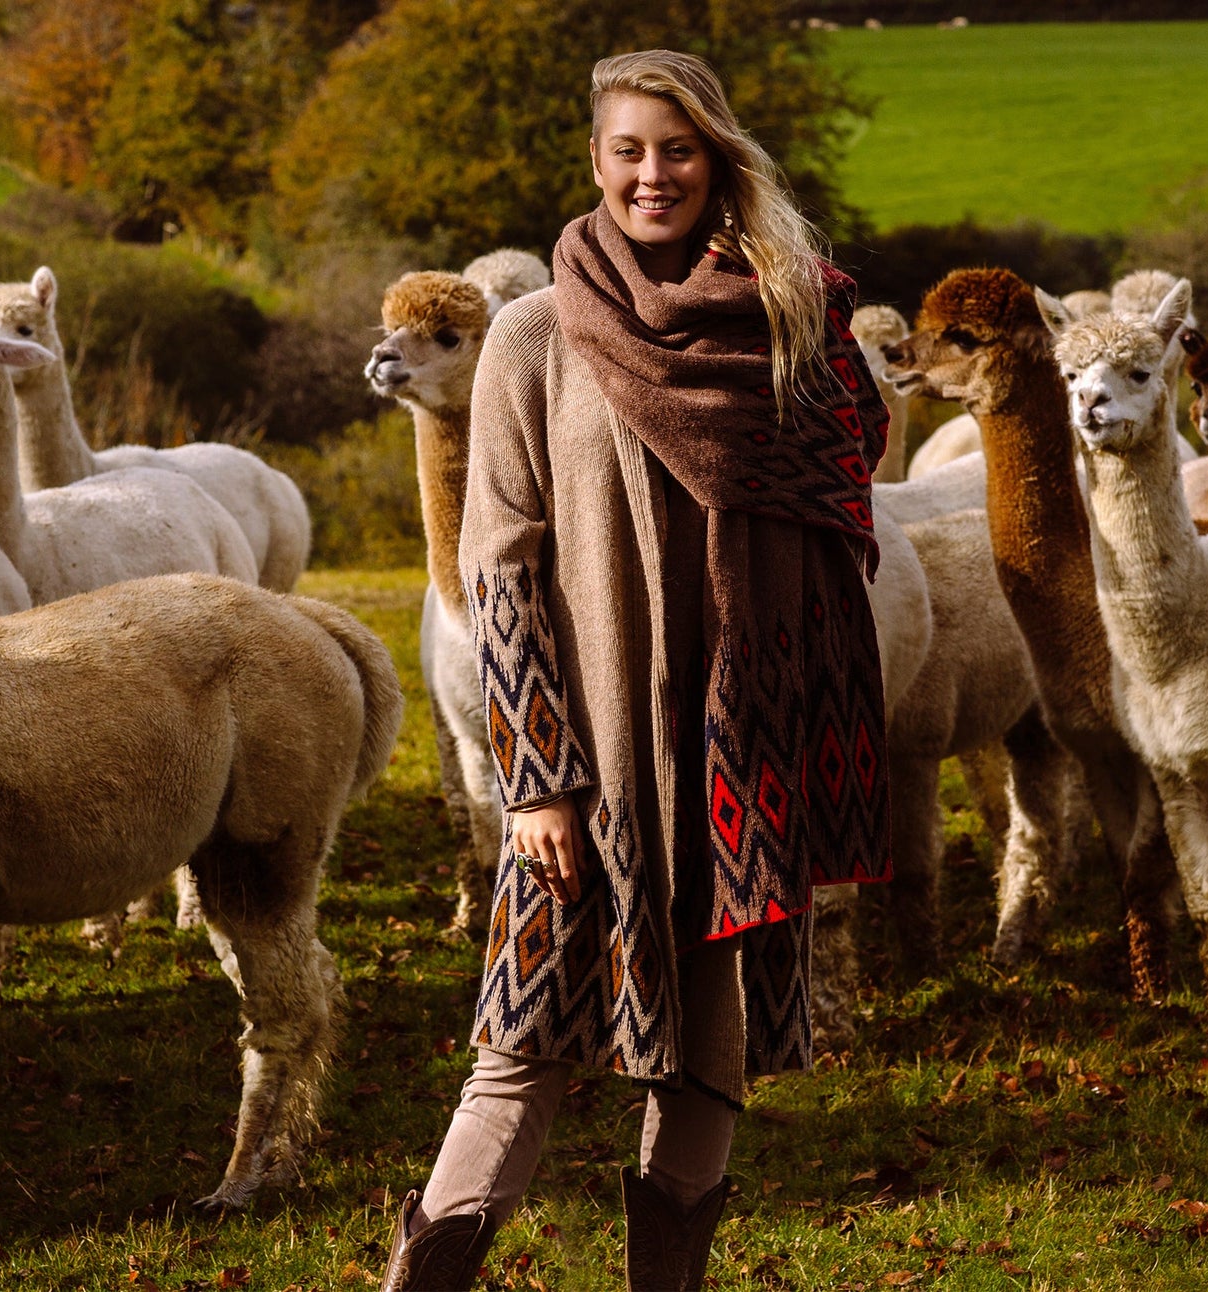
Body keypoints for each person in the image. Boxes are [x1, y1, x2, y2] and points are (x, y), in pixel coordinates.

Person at [379, 47, 894, 1292]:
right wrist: (538, 778)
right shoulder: (534, 335)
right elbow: (500, 566)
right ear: (597, 161)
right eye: (629, 151)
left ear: (717, 158)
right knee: (520, 1044)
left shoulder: (792, 321)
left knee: (708, 1049)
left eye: (677, 149)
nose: (652, 174)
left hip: (739, 739)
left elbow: (841, 491)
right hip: (592, 760)